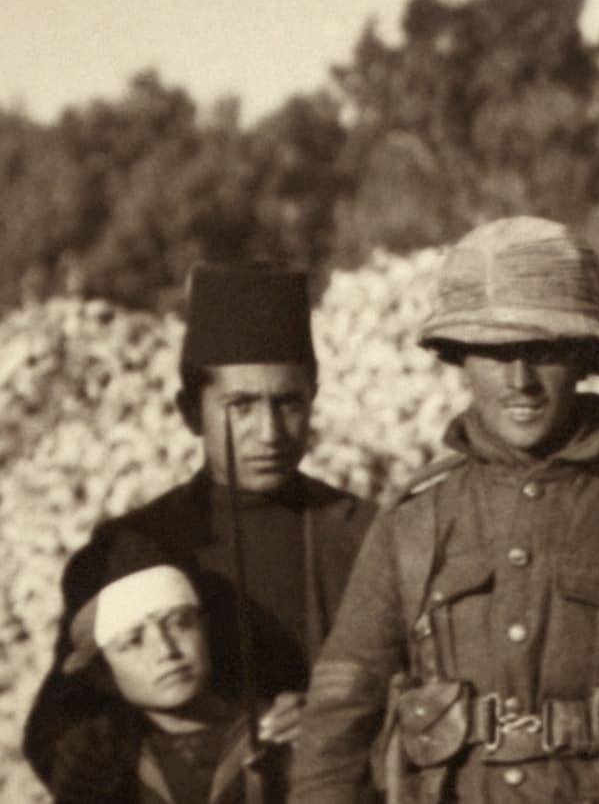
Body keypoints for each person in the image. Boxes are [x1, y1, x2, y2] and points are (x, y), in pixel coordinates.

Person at [292, 218, 599, 804]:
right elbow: (339, 716)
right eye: (494, 353)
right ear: (460, 358)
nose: (520, 382)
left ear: (583, 357)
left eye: (542, 352)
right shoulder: (413, 528)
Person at [25, 263, 372, 795]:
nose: (269, 432)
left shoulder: (366, 535)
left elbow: (421, 693)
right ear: (190, 411)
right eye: (240, 406)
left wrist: (336, 722)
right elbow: (59, 729)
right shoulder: (134, 549)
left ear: (313, 399)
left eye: (289, 403)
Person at [31, 537, 286, 804]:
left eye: (179, 624)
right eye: (133, 641)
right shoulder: (98, 764)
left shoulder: (274, 731)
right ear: (102, 673)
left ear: (205, 629)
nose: (166, 651)